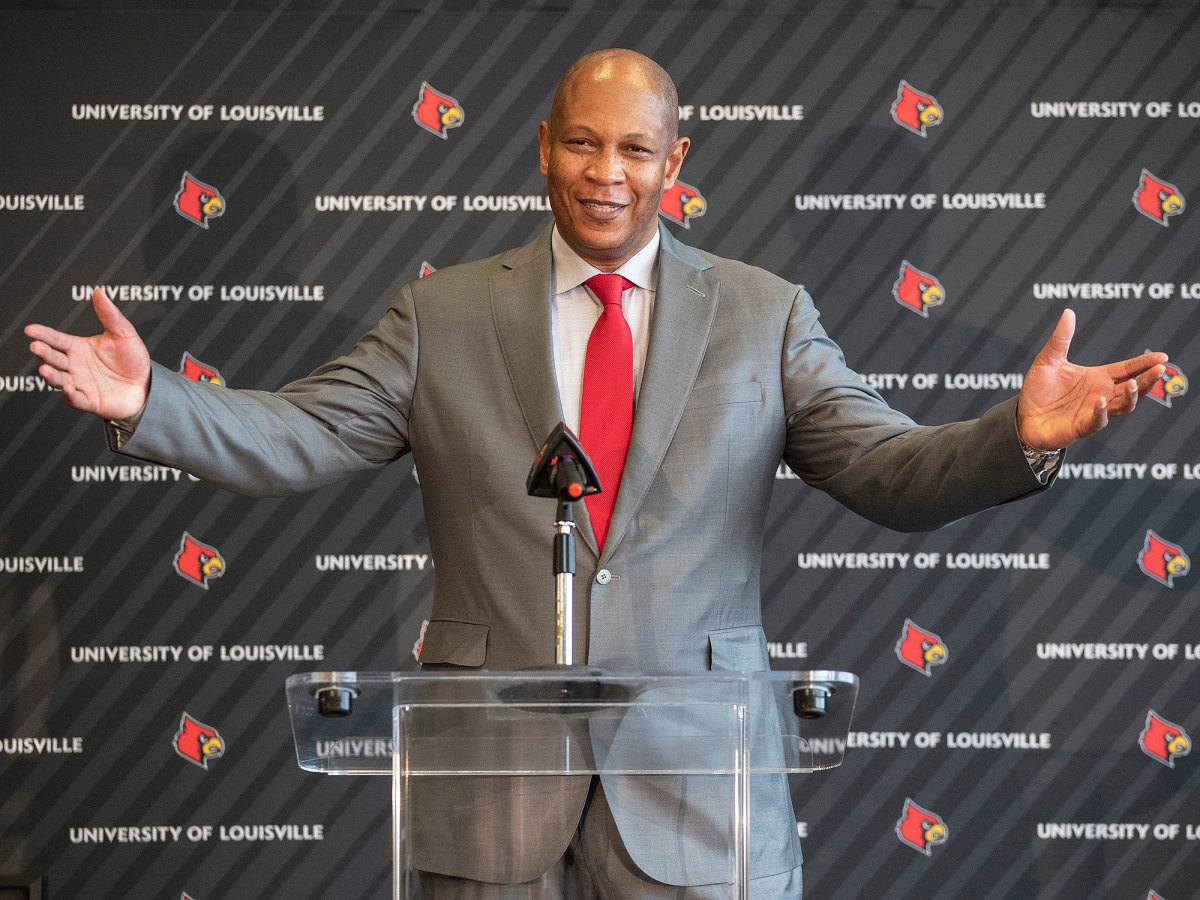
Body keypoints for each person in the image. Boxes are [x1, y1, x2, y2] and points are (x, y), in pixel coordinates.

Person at [27, 49, 1165, 900]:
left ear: (675, 163)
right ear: (541, 145)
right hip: (490, 796)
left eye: (632, 149)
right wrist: (153, 402)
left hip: (699, 792)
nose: (604, 173)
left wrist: (1018, 436)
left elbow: (886, 469)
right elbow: (302, 435)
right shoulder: (445, 315)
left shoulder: (765, 318)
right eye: (581, 143)